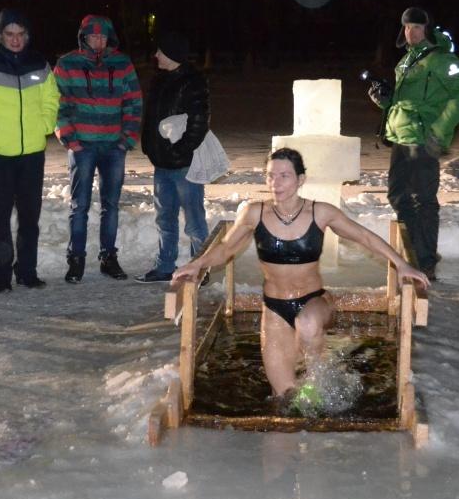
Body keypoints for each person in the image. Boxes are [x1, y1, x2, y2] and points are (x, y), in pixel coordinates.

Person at [173, 148, 430, 402]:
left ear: (301, 179)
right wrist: (198, 264)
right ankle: (311, 390)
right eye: (271, 175)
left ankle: (320, 377)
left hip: (314, 302)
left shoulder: (320, 212)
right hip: (274, 308)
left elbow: (364, 236)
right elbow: (226, 248)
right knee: (283, 395)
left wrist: (401, 264)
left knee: (307, 326)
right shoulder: (254, 213)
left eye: (284, 175)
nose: (276, 182)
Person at [368, 7, 459, 280]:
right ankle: (413, 252)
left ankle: (425, 261)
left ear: (428, 29)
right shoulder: (407, 60)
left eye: (416, 27)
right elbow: (406, 102)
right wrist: (385, 101)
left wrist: (438, 131)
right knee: (398, 196)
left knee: (423, 199)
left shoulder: (442, 59)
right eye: (406, 27)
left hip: (424, 139)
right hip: (401, 137)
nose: (411, 32)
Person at [0, 9, 59, 292]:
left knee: (30, 217)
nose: (15, 40)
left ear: (27, 36)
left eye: (20, 34)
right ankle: (1, 275)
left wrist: (45, 124)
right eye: (9, 34)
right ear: (0, 35)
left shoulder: (39, 64)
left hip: (32, 153)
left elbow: (52, 97)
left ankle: (27, 272)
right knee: (0, 217)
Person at [54, 15, 142, 283]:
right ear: (83, 38)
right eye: (93, 36)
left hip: (114, 147)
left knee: (111, 205)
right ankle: (76, 259)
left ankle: (108, 258)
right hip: (82, 146)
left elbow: (134, 102)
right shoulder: (67, 64)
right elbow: (58, 104)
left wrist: (127, 139)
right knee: (79, 205)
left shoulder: (122, 64)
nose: (98, 42)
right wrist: (70, 139)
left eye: (103, 37)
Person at [135, 31, 210, 283]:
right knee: (164, 218)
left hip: (184, 166)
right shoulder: (159, 80)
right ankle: (165, 265)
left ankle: (200, 269)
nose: (156, 55)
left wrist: (181, 151)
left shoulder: (193, 81)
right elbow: (152, 118)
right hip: (161, 164)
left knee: (194, 220)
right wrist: (150, 146)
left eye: (160, 50)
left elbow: (199, 122)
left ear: (172, 54)